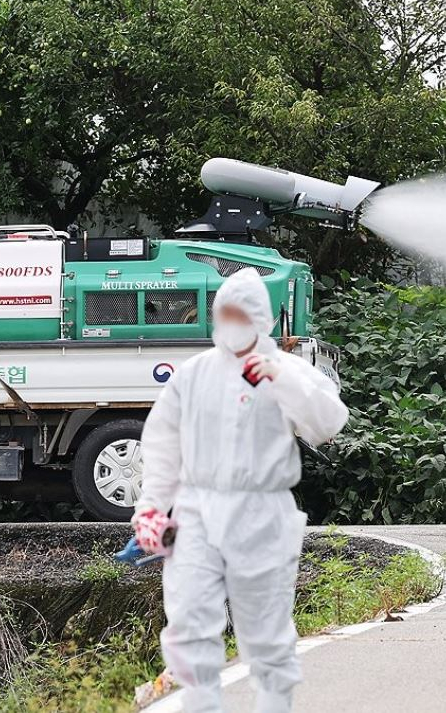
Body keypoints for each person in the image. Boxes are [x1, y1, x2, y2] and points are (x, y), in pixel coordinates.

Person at [133, 267, 348, 713]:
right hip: (195, 510)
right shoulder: (193, 374)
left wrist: (282, 379)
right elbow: (162, 444)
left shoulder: (286, 370)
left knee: (266, 628)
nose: (230, 322)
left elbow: (328, 423)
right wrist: (151, 508)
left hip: (262, 512)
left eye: (239, 313)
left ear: (260, 319)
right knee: (190, 620)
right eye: (223, 313)